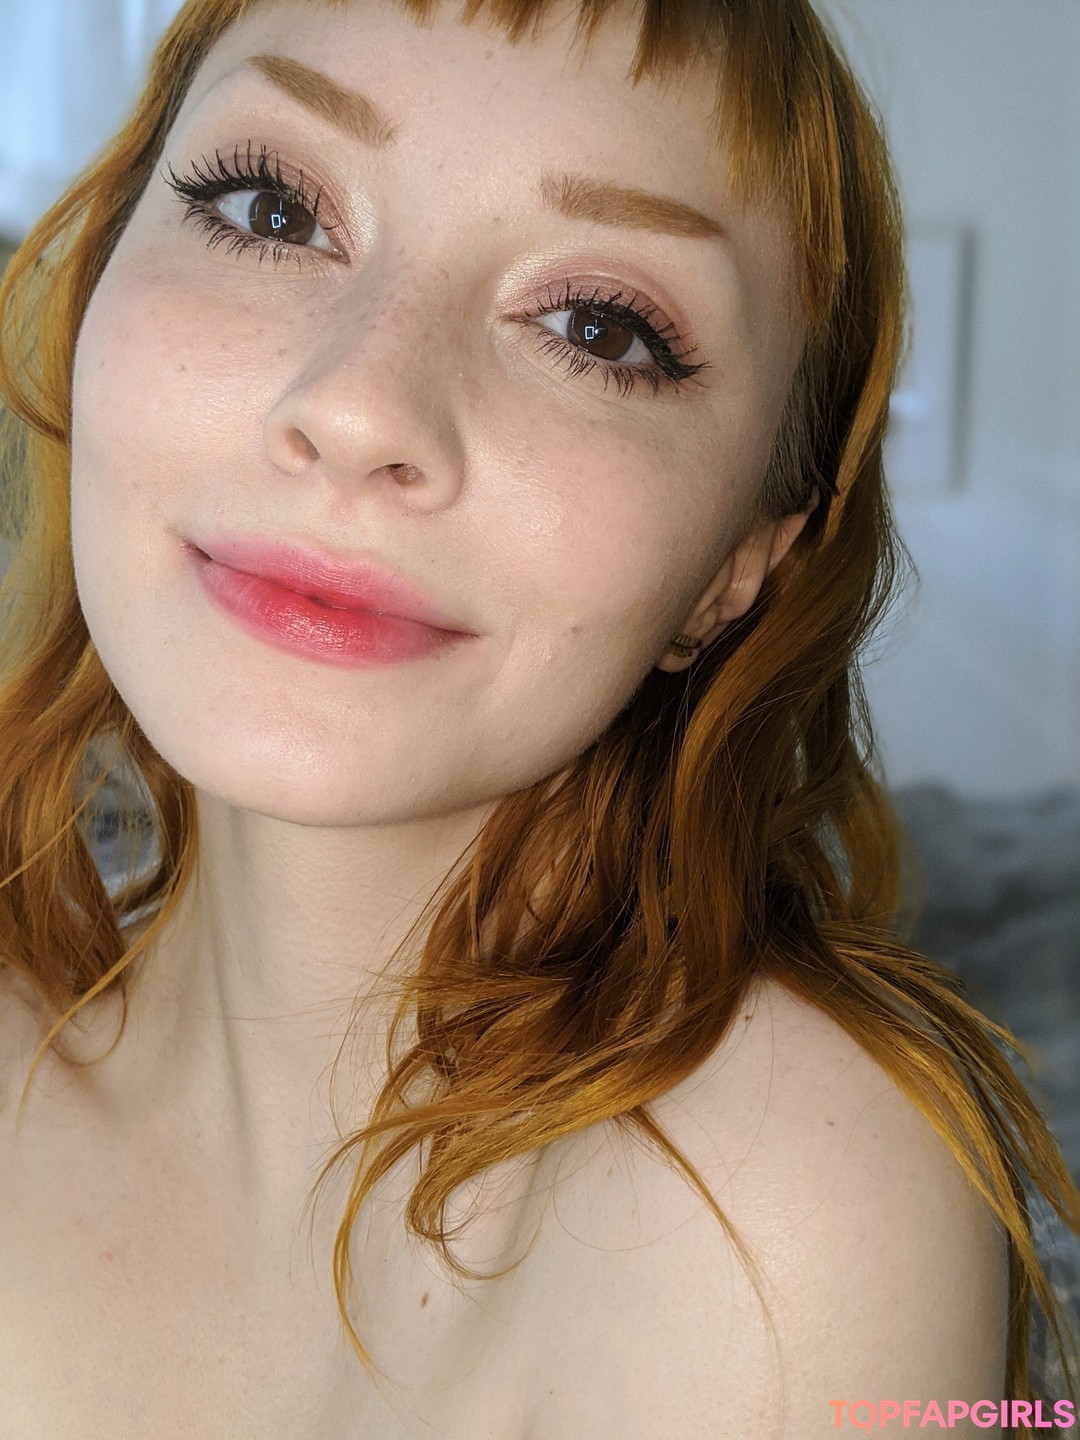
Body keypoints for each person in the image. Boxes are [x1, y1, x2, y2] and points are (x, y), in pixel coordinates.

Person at [0, 0, 1076, 1434]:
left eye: (598, 327)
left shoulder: (805, 1222)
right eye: (270, 210)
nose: (362, 407)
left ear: (741, 565)